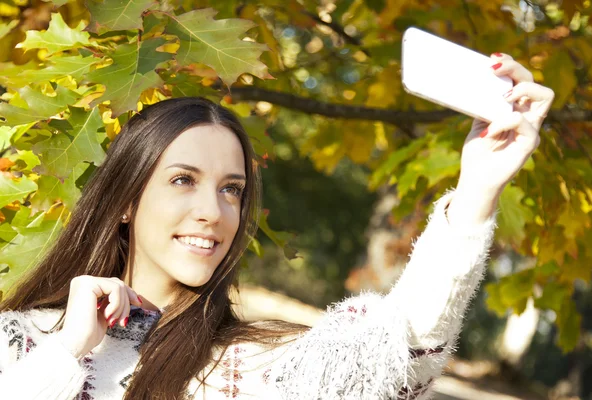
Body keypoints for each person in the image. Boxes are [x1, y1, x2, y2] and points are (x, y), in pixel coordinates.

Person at [0, 54, 553, 399]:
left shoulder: (261, 366)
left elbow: (405, 348)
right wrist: (68, 350)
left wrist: (480, 186)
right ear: (125, 198)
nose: (213, 212)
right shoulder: (21, 341)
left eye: (231, 189)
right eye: (182, 180)